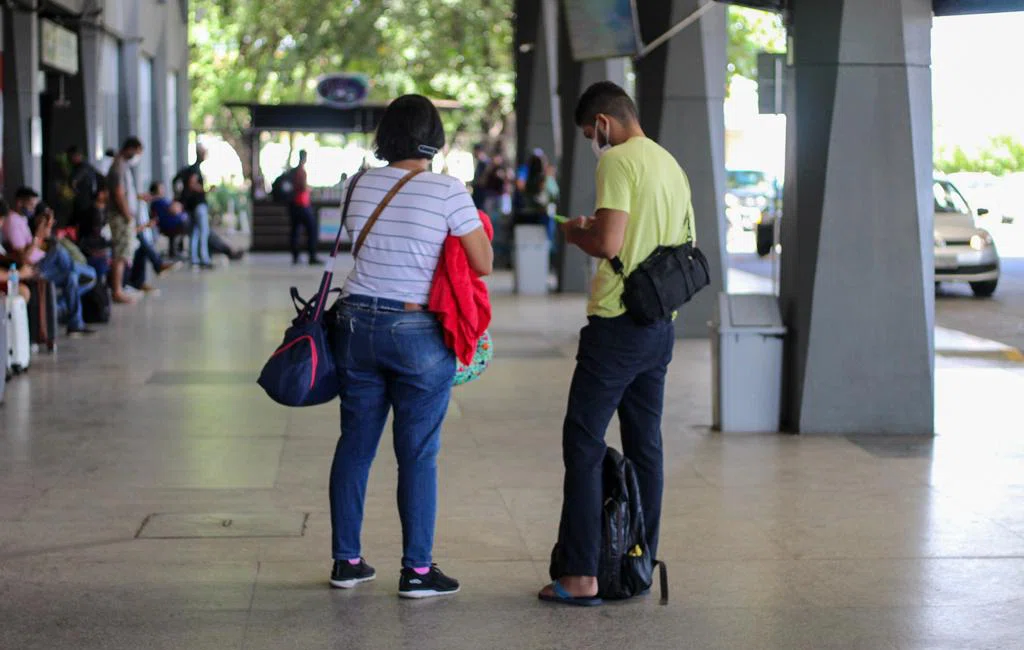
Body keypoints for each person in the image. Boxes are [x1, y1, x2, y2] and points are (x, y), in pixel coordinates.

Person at [327, 94, 493, 599]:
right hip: (416, 328)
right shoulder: (448, 192)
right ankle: (417, 571)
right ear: (435, 137)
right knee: (417, 453)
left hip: (355, 324)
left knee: (355, 446)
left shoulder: (356, 185)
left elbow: (362, 240)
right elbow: (482, 262)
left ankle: (347, 561)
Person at [538, 81, 695, 605]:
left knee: (582, 442)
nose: (592, 143)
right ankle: (639, 561)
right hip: (659, 325)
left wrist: (575, 232)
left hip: (617, 325)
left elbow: (609, 242)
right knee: (645, 445)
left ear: (603, 124)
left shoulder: (618, 162)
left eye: (590, 133)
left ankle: (582, 575)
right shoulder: (671, 164)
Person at [24, 202, 97, 336]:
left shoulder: (46, 239)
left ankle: (75, 325)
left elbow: (46, 248)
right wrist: (39, 233)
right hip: (36, 270)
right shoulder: (29, 233)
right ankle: (67, 312)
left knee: (72, 277)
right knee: (59, 251)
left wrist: (46, 231)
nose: (49, 223)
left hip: (49, 269)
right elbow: (25, 258)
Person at [107, 137, 145, 304]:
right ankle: (117, 290)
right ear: (130, 148)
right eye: (137, 152)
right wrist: (127, 214)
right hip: (120, 216)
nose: (137, 156)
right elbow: (118, 193)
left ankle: (120, 287)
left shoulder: (121, 165)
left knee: (124, 253)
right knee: (121, 254)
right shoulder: (118, 166)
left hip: (123, 215)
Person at [181, 145, 214, 270]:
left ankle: (194, 258)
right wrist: (204, 190)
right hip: (199, 205)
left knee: (195, 232)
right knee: (203, 232)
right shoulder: (195, 169)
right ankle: (204, 258)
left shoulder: (193, 168)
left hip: (193, 206)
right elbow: (192, 184)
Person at [289, 150, 321, 266]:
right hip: (302, 205)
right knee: (312, 230)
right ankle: (312, 256)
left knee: (295, 231)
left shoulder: (293, 171)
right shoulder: (301, 171)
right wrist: (308, 189)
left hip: (293, 205)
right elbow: (302, 187)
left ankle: (295, 256)